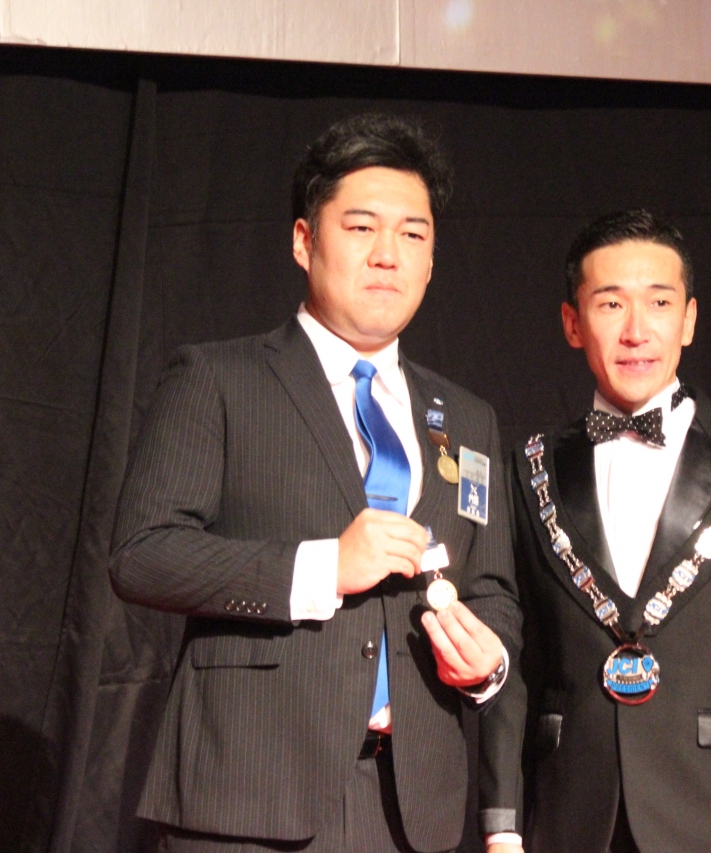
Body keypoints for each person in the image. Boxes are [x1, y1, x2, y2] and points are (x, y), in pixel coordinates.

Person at [109, 114, 523, 853]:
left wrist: (489, 660)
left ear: (432, 261)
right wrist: (325, 566)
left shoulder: (467, 417)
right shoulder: (219, 378)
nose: (388, 255)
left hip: (412, 808)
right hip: (248, 797)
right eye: (361, 228)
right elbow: (143, 553)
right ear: (304, 241)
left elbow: (492, 589)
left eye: (413, 235)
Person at [486, 209, 711, 853]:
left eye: (659, 302)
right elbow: (514, 655)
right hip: (569, 818)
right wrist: (502, 825)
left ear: (690, 319)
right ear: (572, 323)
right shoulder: (528, 469)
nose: (636, 330)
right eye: (610, 303)